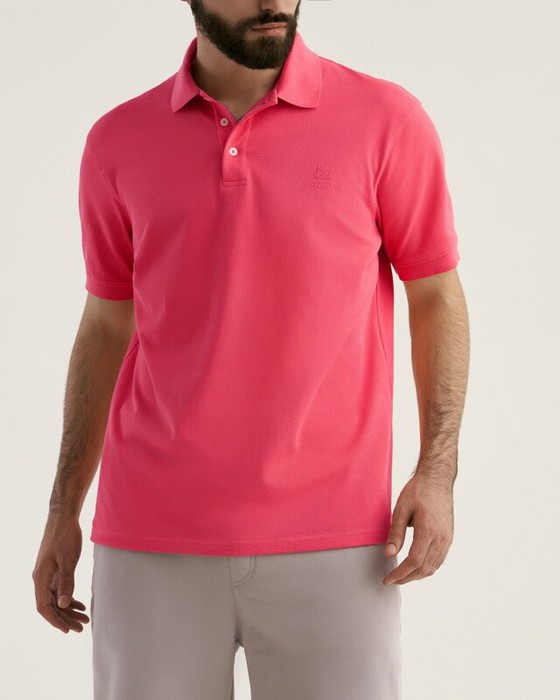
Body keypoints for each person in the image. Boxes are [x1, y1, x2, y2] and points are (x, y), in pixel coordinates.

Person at [32, 1, 470, 698]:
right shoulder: (118, 140)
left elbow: (437, 295)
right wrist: (63, 511)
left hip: (340, 540)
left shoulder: (387, 120)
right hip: (151, 537)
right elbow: (107, 326)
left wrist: (437, 472)